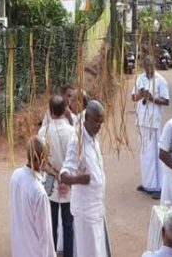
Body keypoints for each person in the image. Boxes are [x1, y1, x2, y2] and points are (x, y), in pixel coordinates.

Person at [60, 100, 110, 257]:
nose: (99, 126)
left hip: (97, 208)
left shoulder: (94, 136)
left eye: (101, 123)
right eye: (96, 121)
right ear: (87, 117)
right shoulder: (77, 142)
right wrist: (79, 179)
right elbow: (64, 175)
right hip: (86, 213)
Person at [38, 95, 75, 257]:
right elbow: (75, 160)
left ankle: (50, 253)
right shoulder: (72, 131)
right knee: (68, 222)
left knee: (50, 220)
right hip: (68, 180)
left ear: (51, 110)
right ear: (65, 110)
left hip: (50, 180)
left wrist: (55, 174)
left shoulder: (43, 131)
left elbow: (40, 161)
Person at [10, 136, 56, 257]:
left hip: (19, 249)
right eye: (46, 157)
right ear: (41, 158)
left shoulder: (15, 176)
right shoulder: (39, 193)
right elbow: (45, 235)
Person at [132, 55, 170, 198]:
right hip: (141, 121)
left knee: (154, 155)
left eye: (150, 65)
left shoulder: (161, 81)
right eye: (146, 66)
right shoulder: (140, 79)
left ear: (154, 65)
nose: (148, 68)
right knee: (144, 154)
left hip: (153, 123)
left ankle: (158, 187)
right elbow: (133, 98)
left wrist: (152, 99)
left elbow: (166, 101)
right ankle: (147, 183)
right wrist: (141, 95)